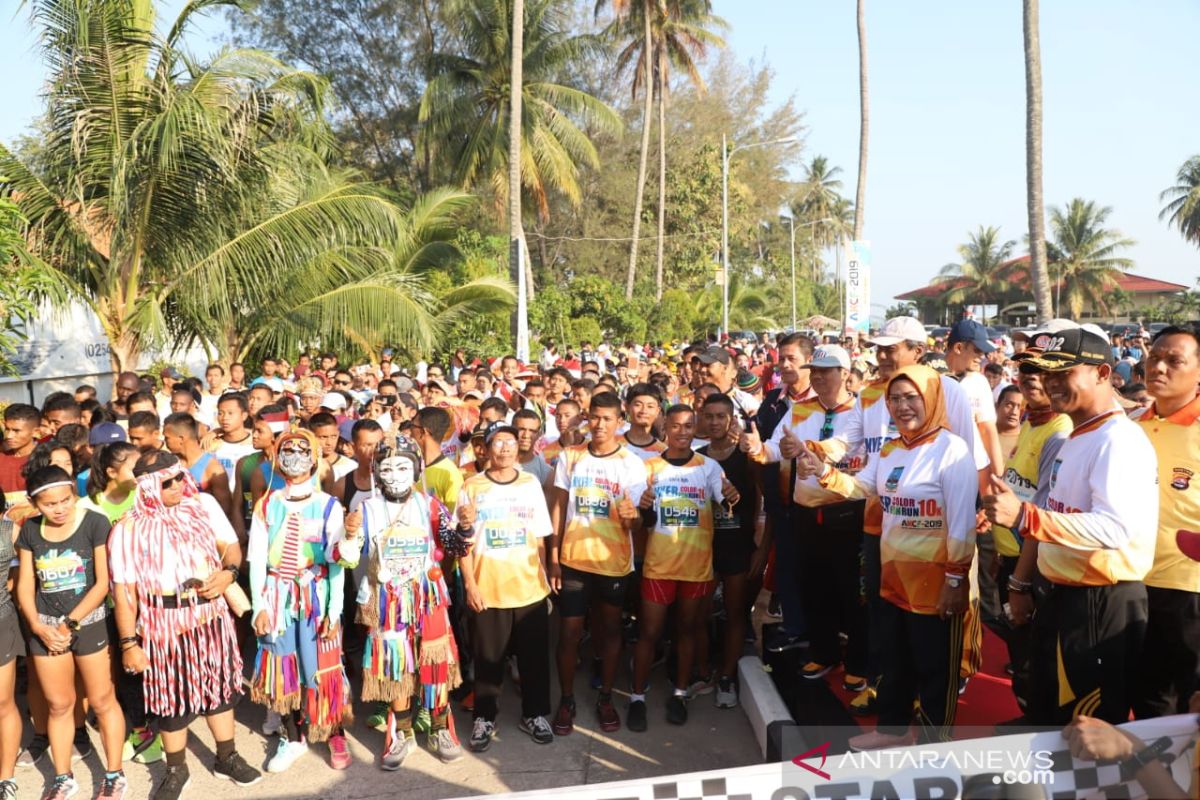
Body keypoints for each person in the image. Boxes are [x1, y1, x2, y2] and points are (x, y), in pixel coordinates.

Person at [984, 326, 1158, 725]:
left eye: (1063, 373)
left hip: (1099, 601)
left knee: (1085, 731)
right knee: (1051, 717)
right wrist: (1024, 582)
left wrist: (1025, 516)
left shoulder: (1118, 439)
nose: (1051, 383)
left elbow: (1115, 530)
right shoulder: (1078, 435)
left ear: (1102, 373)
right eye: (1048, 374)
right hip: (1064, 596)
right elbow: (1062, 513)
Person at [800, 365, 977, 749]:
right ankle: (891, 729)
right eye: (894, 399)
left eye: (911, 397)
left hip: (936, 585)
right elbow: (864, 486)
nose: (902, 406)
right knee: (895, 659)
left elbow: (962, 524)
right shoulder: (891, 449)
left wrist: (955, 580)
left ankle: (935, 743)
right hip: (894, 579)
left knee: (935, 667)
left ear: (931, 398)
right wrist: (824, 472)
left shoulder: (952, 450)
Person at [110, 450, 261, 799]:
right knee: (171, 701)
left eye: (179, 477)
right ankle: (176, 769)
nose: (178, 485)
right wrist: (129, 644)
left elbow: (231, 546)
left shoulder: (203, 505)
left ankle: (227, 757)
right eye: (168, 482)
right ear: (148, 487)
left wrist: (228, 573)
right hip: (164, 623)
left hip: (211, 615)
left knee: (221, 690)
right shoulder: (127, 530)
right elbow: (125, 594)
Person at [743, 345, 867, 686]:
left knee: (852, 594)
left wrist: (806, 449)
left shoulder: (862, 411)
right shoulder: (799, 409)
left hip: (847, 512)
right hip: (805, 512)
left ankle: (858, 661)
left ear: (845, 373)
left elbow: (842, 446)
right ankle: (824, 653)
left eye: (827, 371)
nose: (819, 377)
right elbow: (774, 448)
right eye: (815, 370)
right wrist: (758, 448)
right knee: (814, 588)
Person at [247, 429, 360, 772]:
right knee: (283, 669)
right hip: (277, 596)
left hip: (315, 597)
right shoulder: (267, 504)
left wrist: (334, 611)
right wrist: (259, 608)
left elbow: (338, 564)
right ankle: (293, 735)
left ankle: (333, 731)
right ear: (277, 460)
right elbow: (256, 560)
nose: (294, 455)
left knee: (322, 666)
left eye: (302, 449)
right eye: (287, 449)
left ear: (314, 459)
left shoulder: (327, 506)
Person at [351, 437, 467, 768]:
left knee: (436, 663)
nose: (395, 475)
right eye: (386, 468)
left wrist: (467, 527)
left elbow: (454, 544)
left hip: (427, 598)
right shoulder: (367, 509)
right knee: (396, 666)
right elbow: (345, 557)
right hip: (387, 599)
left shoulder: (429, 504)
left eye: (403, 467)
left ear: (417, 469)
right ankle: (401, 732)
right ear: (375, 472)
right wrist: (347, 534)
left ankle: (440, 728)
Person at [16, 466, 127, 799]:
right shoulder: (30, 530)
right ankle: (62, 777)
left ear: (73, 495)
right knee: (58, 705)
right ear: (33, 502)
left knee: (103, 699)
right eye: (50, 504)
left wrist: (69, 624)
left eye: (65, 500)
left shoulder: (94, 523)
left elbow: (103, 583)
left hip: (88, 623)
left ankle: (114, 773)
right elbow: (25, 584)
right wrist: (38, 626)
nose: (60, 508)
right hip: (45, 630)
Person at [629, 405, 734, 730]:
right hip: (659, 566)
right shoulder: (648, 467)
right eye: (676, 426)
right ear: (666, 430)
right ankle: (637, 697)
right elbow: (638, 520)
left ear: (696, 429)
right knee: (649, 633)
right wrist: (642, 509)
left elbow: (727, 501)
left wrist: (731, 496)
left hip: (696, 566)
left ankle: (679, 692)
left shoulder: (710, 467)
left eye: (689, 426)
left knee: (687, 631)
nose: (683, 432)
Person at [548, 391, 647, 735]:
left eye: (608, 419)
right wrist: (553, 557)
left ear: (620, 422)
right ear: (587, 419)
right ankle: (566, 699)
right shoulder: (571, 456)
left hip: (614, 562)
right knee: (570, 632)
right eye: (595, 417)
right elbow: (559, 507)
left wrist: (632, 518)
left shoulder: (632, 463)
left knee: (609, 631)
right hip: (573, 560)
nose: (600, 424)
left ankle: (605, 697)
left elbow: (635, 521)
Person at [459, 422, 555, 751]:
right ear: (484, 449)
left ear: (520, 447)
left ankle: (536, 714)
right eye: (497, 443)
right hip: (488, 589)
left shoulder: (530, 484)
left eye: (511, 442)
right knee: (488, 658)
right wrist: (470, 584)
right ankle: (484, 718)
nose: (505, 448)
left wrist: (544, 575)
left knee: (534, 657)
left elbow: (541, 535)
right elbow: (464, 543)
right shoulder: (471, 486)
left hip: (529, 587)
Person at [990, 356, 1071, 710]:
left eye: (1042, 372)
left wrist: (1019, 582)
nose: (1032, 379)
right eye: (1026, 372)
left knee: (1030, 662)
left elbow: (1044, 514)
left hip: (1031, 563)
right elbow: (1018, 490)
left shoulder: (1058, 432)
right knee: (1021, 653)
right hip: (1011, 553)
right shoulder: (1031, 421)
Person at [1131, 325, 1200, 718]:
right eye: (1154, 357)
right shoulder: (1132, 426)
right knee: (1150, 700)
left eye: (1174, 361)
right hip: (1136, 580)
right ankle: (1154, 779)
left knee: (1192, 698)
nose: (1159, 367)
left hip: (1190, 588)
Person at [698, 393, 766, 708]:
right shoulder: (696, 457)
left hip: (739, 546)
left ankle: (726, 677)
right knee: (698, 614)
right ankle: (701, 670)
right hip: (702, 549)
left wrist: (762, 549)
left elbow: (768, 505)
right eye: (708, 416)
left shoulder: (746, 457)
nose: (714, 422)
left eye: (720, 416)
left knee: (736, 613)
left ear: (731, 419)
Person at [751, 333, 815, 655]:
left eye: (792, 358)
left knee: (817, 568)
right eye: (782, 358)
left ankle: (824, 629)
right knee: (787, 564)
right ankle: (794, 627)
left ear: (809, 361)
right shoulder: (772, 401)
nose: (786, 364)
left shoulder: (824, 402)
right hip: (781, 499)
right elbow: (761, 446)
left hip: (816, 499)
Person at [0, 494, 20, 800]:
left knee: (2, 703)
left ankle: (5, 777)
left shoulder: (10, 531)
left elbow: (19, 576)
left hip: (1, 621)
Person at [1, 404, 39, 507]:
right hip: (5, 522)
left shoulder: (46, 458)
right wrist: (5, 523)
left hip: (35, 521)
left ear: (35, 432)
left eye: (16, 431)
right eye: (7, 429)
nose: (9, 436)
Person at [619, 384, 667, 462]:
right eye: (638, 405)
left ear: (657, 411)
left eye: (650, 406)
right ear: (627, 407)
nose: (644, 411)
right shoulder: (613, 444)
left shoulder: (663, 452)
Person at [512, 409, 553, 487]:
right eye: (521, 429)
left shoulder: (546, 472)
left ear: (539, 434)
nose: (526, 435)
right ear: (511, 430)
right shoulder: (494, 465)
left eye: (532, 431)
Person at [995, 385, 1025, 458]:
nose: (1014, 412)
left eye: (1019, 407)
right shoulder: (983, 434)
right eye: (1009, 405)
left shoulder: (1026, 439)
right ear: (997, 406)